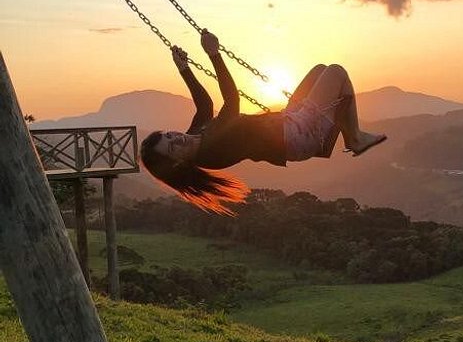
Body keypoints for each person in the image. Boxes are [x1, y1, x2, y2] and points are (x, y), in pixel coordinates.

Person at [139, 30, 386, 213]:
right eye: (172, 147)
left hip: (285, 122)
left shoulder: (196, 134)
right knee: (336, 72)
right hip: (296, 136)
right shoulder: (211, 150)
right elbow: (231, 103)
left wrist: (184, 69)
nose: (177, 138)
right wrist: (214, 55)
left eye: (169, 135)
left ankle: (342, 129)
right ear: (177, 162)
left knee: (319, 70)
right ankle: (354, 137)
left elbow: (205, 106)